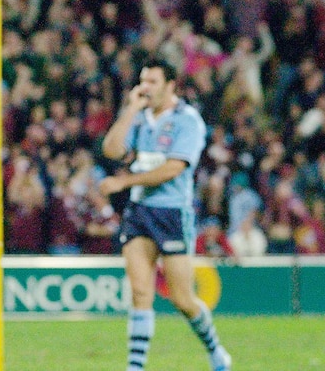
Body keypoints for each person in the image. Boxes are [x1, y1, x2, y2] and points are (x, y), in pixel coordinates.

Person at [99, 59, 232, 371]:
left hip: (172, 213)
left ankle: (215, 351)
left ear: (171, 85)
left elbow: (174, 168)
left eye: (153, 82)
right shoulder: (140, 118)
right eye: (143, 81)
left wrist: (124, 181)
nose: (145, 88)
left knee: (183, 300)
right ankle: (135, 367)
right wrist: (129, 111)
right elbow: (111, 150)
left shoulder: (188, 121)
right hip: (139, 212)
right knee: (141, 292)